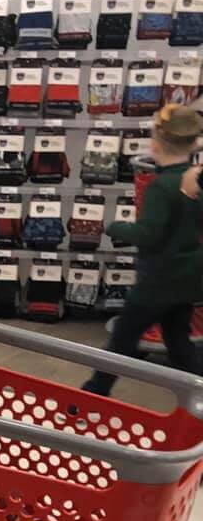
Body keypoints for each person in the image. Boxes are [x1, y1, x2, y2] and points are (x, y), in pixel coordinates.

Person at [81, 104, 203, 395]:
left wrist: (113, 227)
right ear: (194, 143)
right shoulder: (194, 181)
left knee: (121, 341)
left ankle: (91, 397)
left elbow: (149, 235)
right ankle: (198, 399)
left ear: (156, 143)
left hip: (157, 282)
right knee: (179, 344)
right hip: (187, 279)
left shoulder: (161, 187)